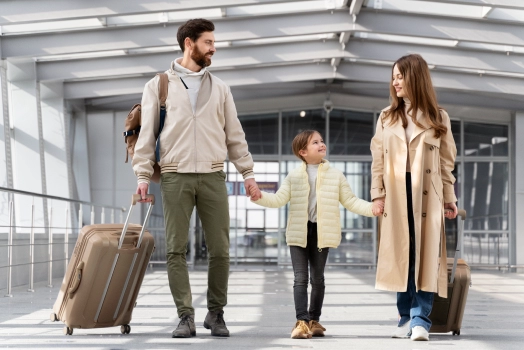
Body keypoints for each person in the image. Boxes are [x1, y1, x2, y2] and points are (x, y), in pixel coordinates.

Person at [133, 18, 261, 338]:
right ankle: (185, 316)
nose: (213, 48)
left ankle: (216, 313)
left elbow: (235, 136)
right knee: (176, 249)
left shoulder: (220, 88)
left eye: (214, 43)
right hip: (175, 176)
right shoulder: (158, 85)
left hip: (213, 175)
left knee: (220, 249)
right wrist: (143, 176)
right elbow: (147, 136)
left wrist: (247, 174)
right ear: (189, 44)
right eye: (208, 42)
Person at [250, 130, 383, 339]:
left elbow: (351, 201)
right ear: (303, 151)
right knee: (300, 278)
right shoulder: (293, 176)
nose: (321, 144)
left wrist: (372, 209)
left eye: (321, 141)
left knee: (318, 279)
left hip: (321, 232)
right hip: (298, 232)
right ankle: (301, 322)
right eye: (315, 142)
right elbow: (277, 199)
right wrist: (259, 196)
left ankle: (314, 319)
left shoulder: (336, 175)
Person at [370, 54, 458, 341]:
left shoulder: (437, 116)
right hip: (395, 193)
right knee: (402, 252)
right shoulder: (386, 116)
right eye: (393, 76)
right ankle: (405, 316)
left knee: (426, 255)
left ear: (415, 78)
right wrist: (377, 195)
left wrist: (449, 198)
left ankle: (421, 319)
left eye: (400, 76)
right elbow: (377, 161)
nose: (395, 82)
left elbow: (446, 162)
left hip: (427, 194)